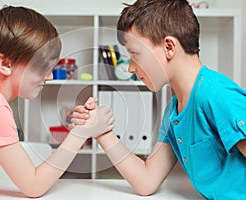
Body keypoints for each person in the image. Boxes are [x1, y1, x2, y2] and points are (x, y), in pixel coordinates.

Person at [70, 0, 246, 199]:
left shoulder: (217, 95)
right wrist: (101, 131)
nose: (130, 68)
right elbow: (146, 180)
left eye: (135, 54)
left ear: (169, 47)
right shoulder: (174, 110)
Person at [0, 6, 114, 198]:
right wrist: (81, 133)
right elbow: (34, 185)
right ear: (5, 64)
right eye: (42, 67)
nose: (50, 76)